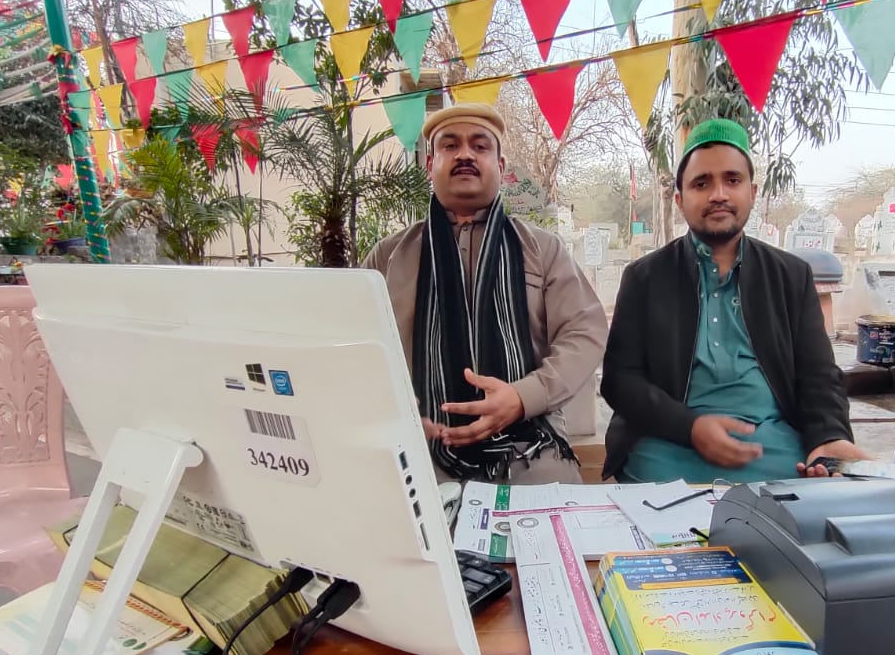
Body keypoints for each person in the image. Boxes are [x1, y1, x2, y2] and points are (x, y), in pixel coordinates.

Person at [601, 118, 869, 484]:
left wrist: (830, 436)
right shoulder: (645, 277)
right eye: (701, 183)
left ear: (752, 192)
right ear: (679, 200)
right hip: (669, 445)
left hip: (770, 446)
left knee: (812, 491)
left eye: (732, 180)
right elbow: (620, 380)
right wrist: (690, 427)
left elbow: (818, 375)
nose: (718, 194)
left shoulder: (790, 276)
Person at [362, 103, 607, 485]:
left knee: (550, 510)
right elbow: (357, 346)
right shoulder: (389, 256)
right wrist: (392, 408)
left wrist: (524, 397)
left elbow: (584, 331)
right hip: (420, 447)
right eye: (450, 145)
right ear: (430, 164)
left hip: (529, 447)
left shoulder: (542, 249)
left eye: (479, 146)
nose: (465, 155)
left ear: (501, 166)